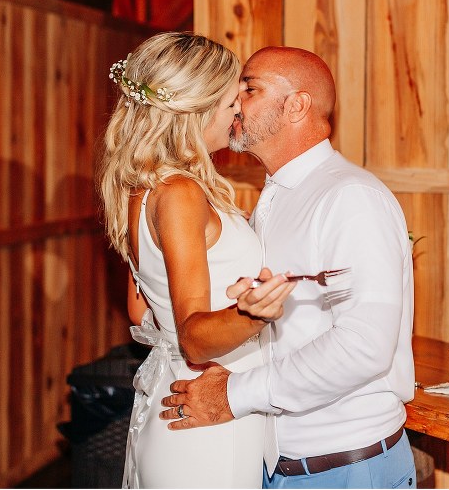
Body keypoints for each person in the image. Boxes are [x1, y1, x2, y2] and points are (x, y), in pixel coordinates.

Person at [160, 46, 417, 488]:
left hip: (345, 467)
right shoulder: (275, 196)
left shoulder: (351, 198)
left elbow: (363, 345)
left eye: (250, 88)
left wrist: (234, 395)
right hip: (281, 462)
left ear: (297, 105)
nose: (235, 102)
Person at [98, 32, 296, 488]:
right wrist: (253, 313)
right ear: (197, 111)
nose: (239, 112)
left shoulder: (140, 187)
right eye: (231, 103)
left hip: (175, 398)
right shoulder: (182, 194)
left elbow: (139, 310)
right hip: (208, 423)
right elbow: (194, 339)